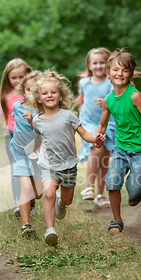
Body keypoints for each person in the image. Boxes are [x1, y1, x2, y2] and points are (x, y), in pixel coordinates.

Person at [30, 70, 106, 246]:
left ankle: (61, 203)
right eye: (45, 93)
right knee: (48, 193)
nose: (49, 95)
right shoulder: (38, 120)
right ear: (39, 99)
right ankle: (50, 230)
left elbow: (85, 134)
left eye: (53, 92)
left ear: (60, 95)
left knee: (67, 199)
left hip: (69, 164)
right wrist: (31, 154)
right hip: (49, 164)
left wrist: (95, 139)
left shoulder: (68, 116)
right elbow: (38, 140)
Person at [95, 49, 141, 233]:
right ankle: (116, 221)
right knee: (112, 182)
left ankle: (135, 188)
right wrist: (98, 136)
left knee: (134, 190)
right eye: (115, 70)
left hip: (140, 148)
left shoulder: (135, 95)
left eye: (124, 70)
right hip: (120, 147)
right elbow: (102, 125)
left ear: (130, 74)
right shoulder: (108, 100)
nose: (119, 74)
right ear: (108, 74)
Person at [0, 59, 32, 213]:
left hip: (32, 136)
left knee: (33, 169)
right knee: (17, 170)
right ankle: (18, 202)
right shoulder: (6, 96)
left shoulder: (32, 94)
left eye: (21, 77)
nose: (17, 81)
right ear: (7, 79)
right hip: (12, 137)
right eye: (13, 78)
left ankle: (31, 200)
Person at [74, 47, 115, 207]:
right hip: (89, 123)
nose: (99, 66)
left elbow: (115, 102)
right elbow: (82, 101)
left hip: (108, 123)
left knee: (104, 158)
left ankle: (99, 194)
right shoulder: (83, 83)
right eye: (95, 63)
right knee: (96, 147)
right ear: (89, 66)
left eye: (102, 62)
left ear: (108, 64)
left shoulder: (111, 83)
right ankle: (89, 188)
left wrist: (105, 102)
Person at [11, 71, 44, 237]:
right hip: (21, 155)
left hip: (38, 156)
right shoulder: (17, 107)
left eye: (36, 89)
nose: (32, 92)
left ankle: (30, 200)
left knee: (38, 193)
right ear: (23, 92)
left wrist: (33, 120)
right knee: (25, 187)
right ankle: (26, 225)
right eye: (29, 89)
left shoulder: (43, 112)